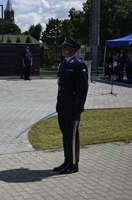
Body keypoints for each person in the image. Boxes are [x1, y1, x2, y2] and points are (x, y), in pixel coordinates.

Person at [54, 36, 88, 174]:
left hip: (72, 106)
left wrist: (79, 106)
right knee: (65, 134)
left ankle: (74, 165)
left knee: (73, 135)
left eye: (66, 47)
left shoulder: (79, 65)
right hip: (62, 105)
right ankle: (67, 161)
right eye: (62, 47)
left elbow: (82, 88)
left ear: (73, 49)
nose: (63, 49)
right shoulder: (63, 64)